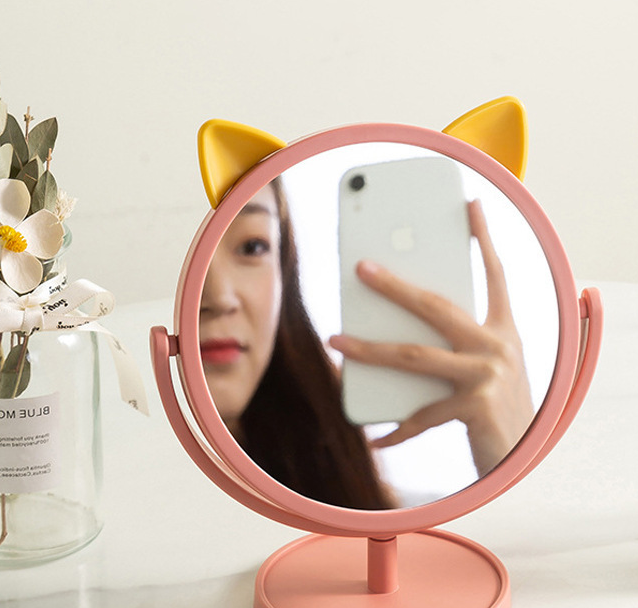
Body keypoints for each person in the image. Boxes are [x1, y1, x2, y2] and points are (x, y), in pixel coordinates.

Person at [199, 178, 534, 510]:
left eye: (253, 247)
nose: (219, 298)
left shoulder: (387, 515)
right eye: (183, 255)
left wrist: (515, 466)